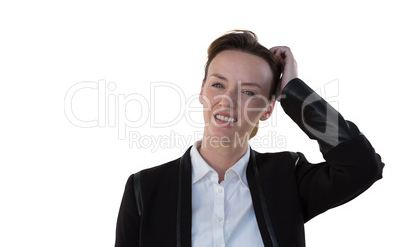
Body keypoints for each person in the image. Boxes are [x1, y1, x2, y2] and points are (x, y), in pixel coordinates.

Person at [115, 30, 384, 247]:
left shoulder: (286, 178)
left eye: (249, 93)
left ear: (268, 108)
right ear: (202, 91)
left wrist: (294, 92)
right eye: (218, 84)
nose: (227, 101)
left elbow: (362, 166)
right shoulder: (145, 188)